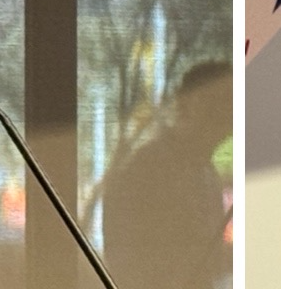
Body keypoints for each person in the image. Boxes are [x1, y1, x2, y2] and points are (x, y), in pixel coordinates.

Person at [99, 60, 233, 289]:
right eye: (213, 101)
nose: (223, 113)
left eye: (230, 104)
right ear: (184, 101)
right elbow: (125, 262)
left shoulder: (208, 176)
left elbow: (209, 260)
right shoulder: (143, 171)